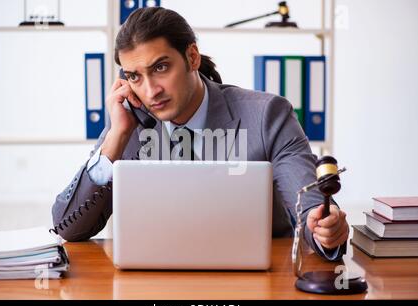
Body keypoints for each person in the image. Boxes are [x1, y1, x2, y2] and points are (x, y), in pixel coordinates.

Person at [51, 7, 349, 261]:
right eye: (135, 76)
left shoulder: (267, 116)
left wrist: (326, 230)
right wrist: (115, 140)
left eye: (161, 67)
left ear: (192, 57)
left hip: (254, 281)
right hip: (152, 282)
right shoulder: (129, 122)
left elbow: (310, 206)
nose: (151, 90)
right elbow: (67, 227)